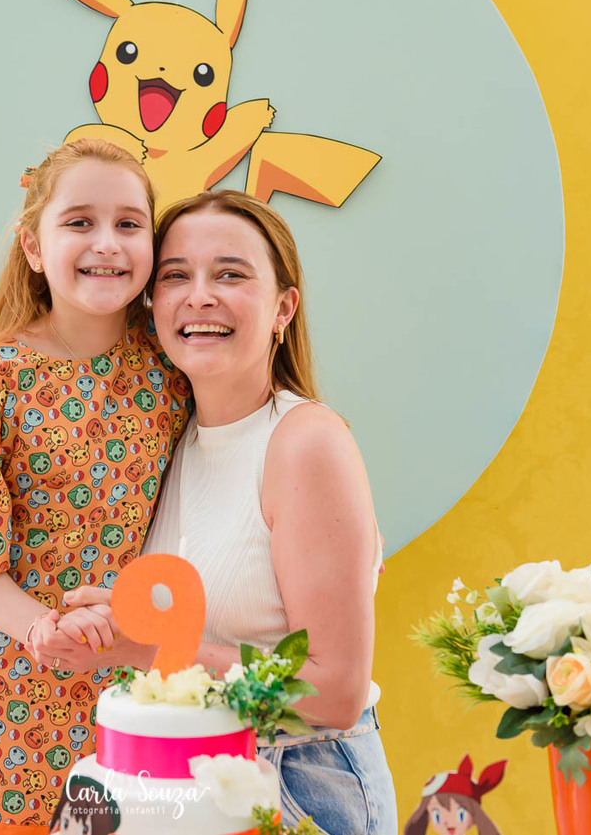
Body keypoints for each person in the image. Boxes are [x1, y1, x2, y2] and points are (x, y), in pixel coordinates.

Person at [63, 189, 396, 833]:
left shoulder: (305, 442)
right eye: (175, 276)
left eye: (231, 275)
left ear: (283, 308)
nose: (200, 296)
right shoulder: (173, 441)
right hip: (191, 776)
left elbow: (335, 691)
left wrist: (146, 647)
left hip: (298, 782)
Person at [0, 139, 191, 833]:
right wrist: (43, 627)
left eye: (129, 224)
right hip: (2, 701)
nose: (107, 243)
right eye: (80, 222)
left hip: (131, 690)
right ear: (34, 246)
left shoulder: (170, 367)